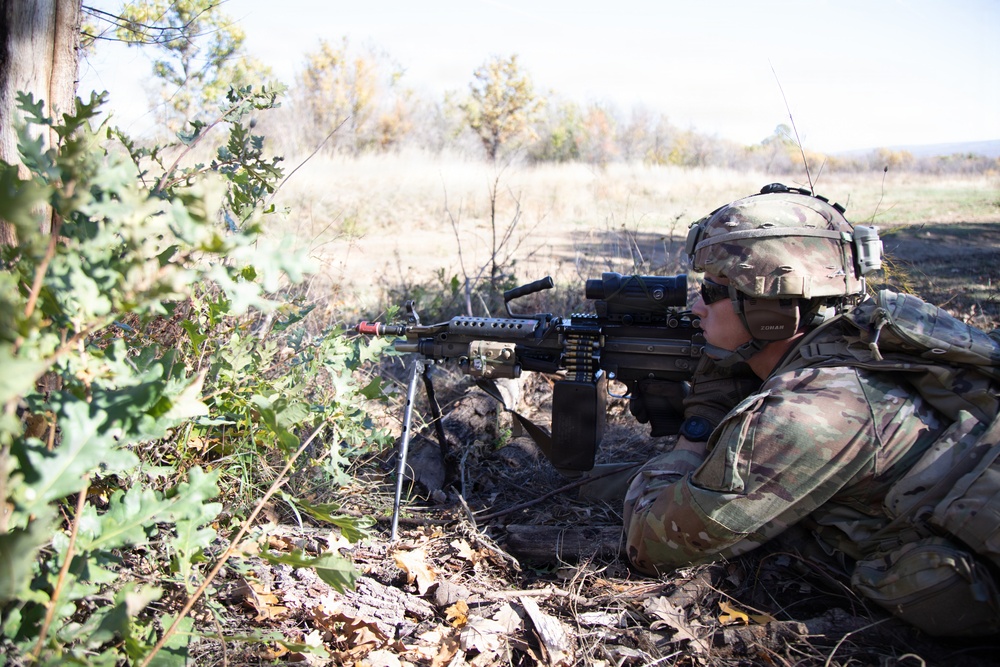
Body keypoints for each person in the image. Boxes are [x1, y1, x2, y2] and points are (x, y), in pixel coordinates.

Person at [621, 183, 1000, 636]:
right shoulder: (865, 337)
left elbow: (651, 542)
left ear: (770, 313)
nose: (697, 306)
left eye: (713, 290)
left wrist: (694, 434)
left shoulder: (809, 413)